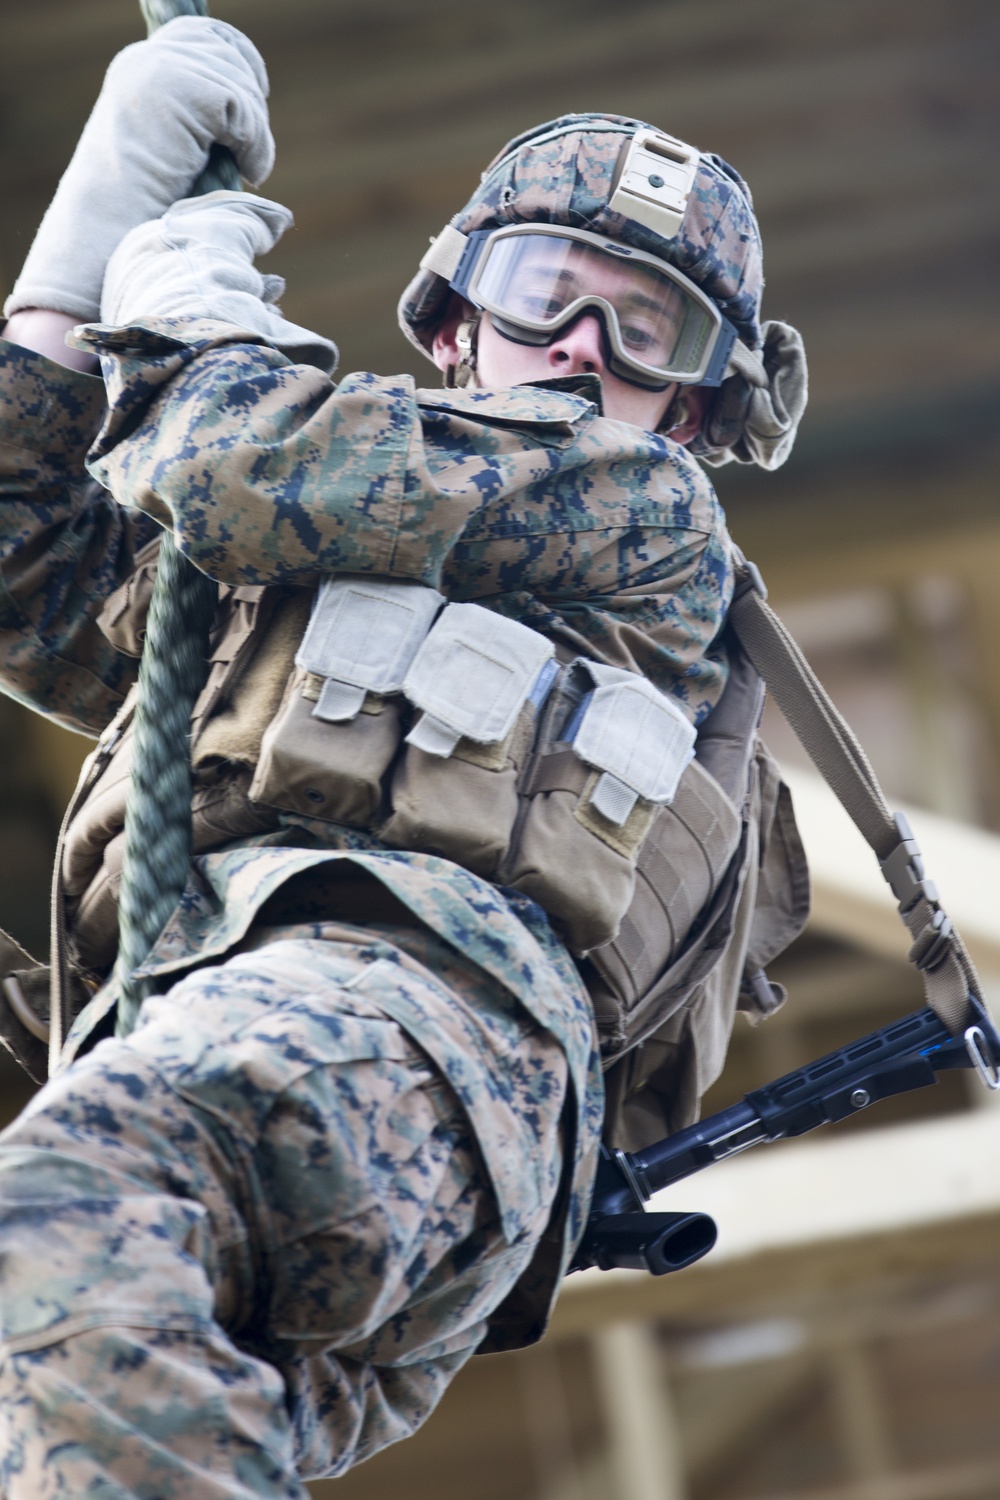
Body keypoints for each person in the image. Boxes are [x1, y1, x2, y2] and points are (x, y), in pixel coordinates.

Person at [0, 17, 806, 1497]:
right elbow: (20, 559)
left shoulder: (648, 522)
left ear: (691, 411)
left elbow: (232, 457)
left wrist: (191, 327)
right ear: (454, 325)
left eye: (650, 332)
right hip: (259, 1052)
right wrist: (84, 246)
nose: (584, 351)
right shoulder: (270, 574)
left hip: (437, 1030)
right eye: (549, 296)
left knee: (56, 1206)